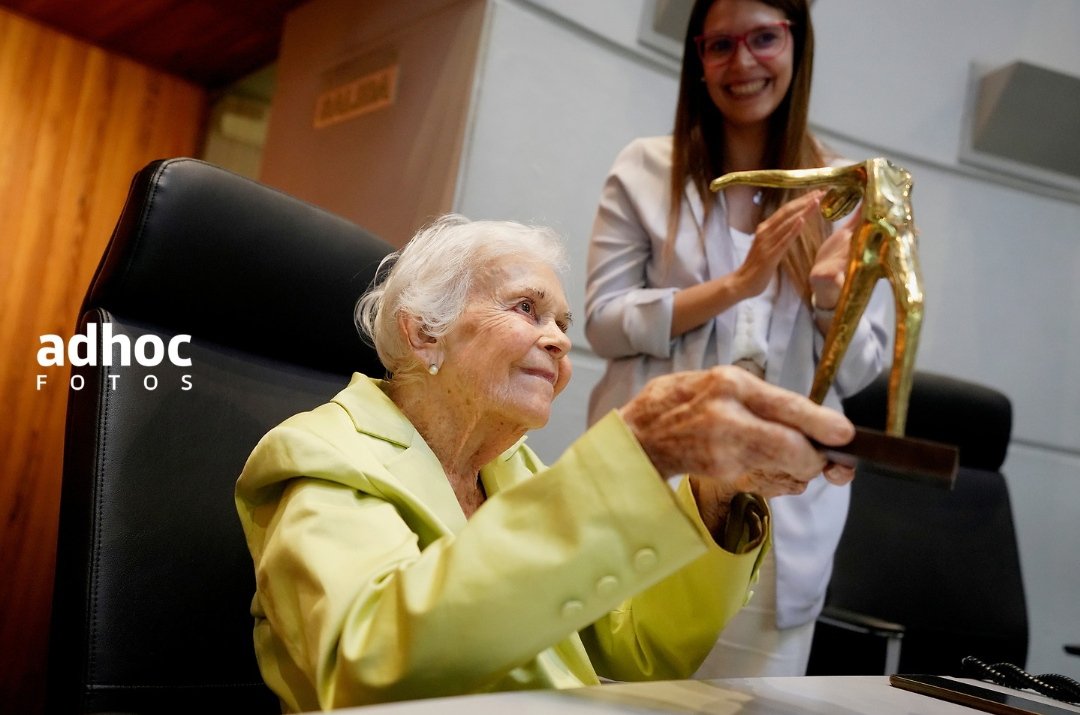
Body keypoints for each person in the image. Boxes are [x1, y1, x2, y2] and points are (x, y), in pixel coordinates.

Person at [236, 213, 857, 711]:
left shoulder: (517, 471)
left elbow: (638, 653)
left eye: (563, 322)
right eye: (526, 308)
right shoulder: (322, 454)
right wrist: (639, 450)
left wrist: (717, 493)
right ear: (426, 332)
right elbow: (367, 670)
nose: (560, 339)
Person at [584, 0, 889, 678]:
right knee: (628, 682)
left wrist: (831, 294)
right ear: (697, 58)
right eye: (720, 45)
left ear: (796, 45)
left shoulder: (847, 191)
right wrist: (739, 283)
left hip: (784, 507)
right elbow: (603, 320)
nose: (742, 62)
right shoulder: (643, 169)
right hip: (655, 487)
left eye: (763, 39)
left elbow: (865, 366)